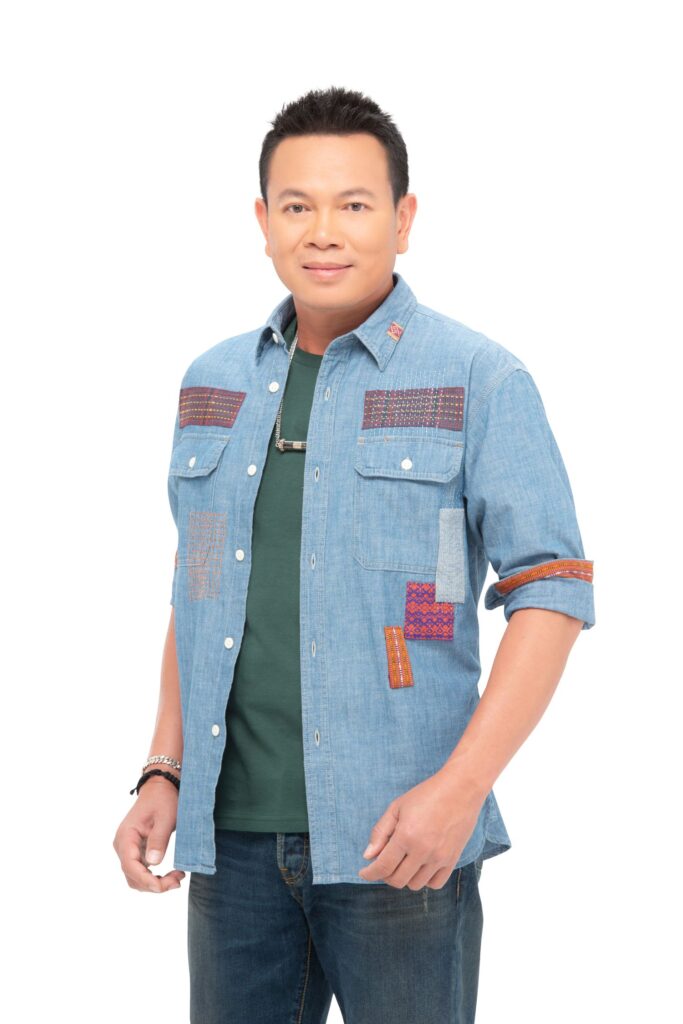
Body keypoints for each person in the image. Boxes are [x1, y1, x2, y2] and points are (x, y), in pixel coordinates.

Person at [113, 85, 595, 1024]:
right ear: (263, 222)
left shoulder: (477, 378)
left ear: (402, 220)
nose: (323, 232)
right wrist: (163, 770)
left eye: (354, 204)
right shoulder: (213, 382)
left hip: (400, 841)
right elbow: (199, 587)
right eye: (297, 205)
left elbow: (552, 591)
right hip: (230, 849)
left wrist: (460, 793)